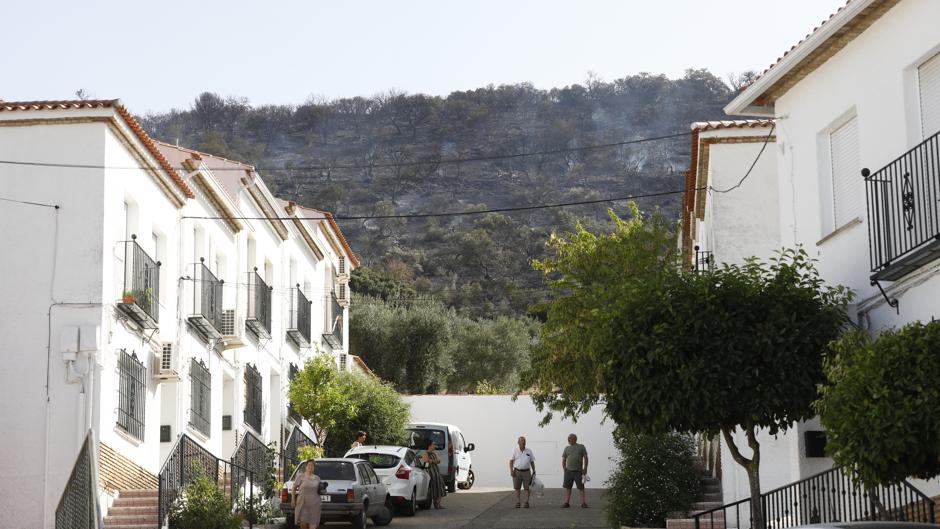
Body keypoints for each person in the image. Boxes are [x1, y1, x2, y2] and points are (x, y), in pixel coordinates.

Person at [291, 459, 323, 529]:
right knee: (303, 524)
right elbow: (293, 488)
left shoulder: (317, 478)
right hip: (303, 504)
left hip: (315, 505)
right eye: (309, 465)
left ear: (314, 467)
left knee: (313, 525)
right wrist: (293, 500)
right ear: (306, 467)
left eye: (312, 465)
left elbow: (321, 491)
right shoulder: (300, 477)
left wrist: (324, 490)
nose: (310, 467)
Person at [561, 433, 589, 508]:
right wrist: (564, 468)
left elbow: (585, 457)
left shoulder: (581, 447)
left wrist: (585, 468)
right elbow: (564, 459)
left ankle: (583, 502)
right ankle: (567, 502)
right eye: (568, 438)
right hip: (568, 471)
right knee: (568, 487)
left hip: (579, 471)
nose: (568, 440)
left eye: (570, 438)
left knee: (581, 487)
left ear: (574, 439)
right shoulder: (567, 448)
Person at [509, 436, 536, 508]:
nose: (523, 442)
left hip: (527, 472)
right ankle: (518, 502)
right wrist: (511, 471)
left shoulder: (529, 451)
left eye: (524, 441)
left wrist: (534, 470)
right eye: (521, 441)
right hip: (517, 471)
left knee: (527, 488)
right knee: (517, 488)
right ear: (518, 442)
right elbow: (511, 461)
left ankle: (526, 502)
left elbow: (532, 461)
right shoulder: (515, 450)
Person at [421, 439, 446, 509]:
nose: (435, 446)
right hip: (430, 472)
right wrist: (433, 461)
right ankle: (435, 503)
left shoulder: (434, 453)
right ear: (429, 446)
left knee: (440, 485)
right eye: (433, 444)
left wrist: (432, 461)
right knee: (433, 486)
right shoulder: (425, 454)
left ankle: (438, 503)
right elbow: (426, 462)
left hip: (436, 472)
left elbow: (439, 460)